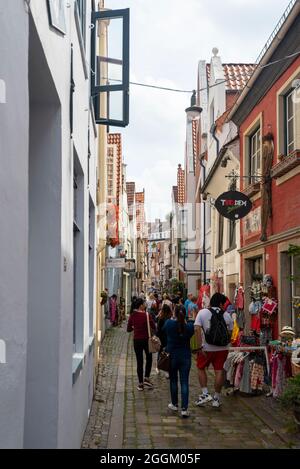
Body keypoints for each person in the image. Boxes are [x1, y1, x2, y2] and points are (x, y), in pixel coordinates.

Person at [194, 293, 233, 408]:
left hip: (206, 347)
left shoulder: (203, 312)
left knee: (201, 368)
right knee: (219, 371)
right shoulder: (227, 315)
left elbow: (196, 329)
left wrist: (199, 347)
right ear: (220, 303)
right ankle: (216, 398)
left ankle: (205, 393)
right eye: (224, 304)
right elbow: (230, 333)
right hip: (222, 349)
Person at [163, 306, 194, 418]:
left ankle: (174, 404)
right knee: (184, 382)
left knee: (173, 381)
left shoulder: (169, 324)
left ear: (174, 314)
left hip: (172, 356)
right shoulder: (189, 327)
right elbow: (191, 329)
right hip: (185, 356)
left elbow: (163, 332)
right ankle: (184, 409)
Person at [127, 298, 155, 391]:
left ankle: (140, 384)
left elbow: (128, 329)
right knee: (149, 358)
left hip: (137, 340)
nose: (145, 305)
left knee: (139, 361)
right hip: (147, 340)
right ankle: (146, 377)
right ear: (140, 306)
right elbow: (153, 327)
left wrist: (135, 327)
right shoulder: (147, 315)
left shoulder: (132, 315)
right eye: (144, 304)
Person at [157, 304, 173, 374]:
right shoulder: (170, 319)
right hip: (168, 338)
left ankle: (158, 367)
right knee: (168, 353)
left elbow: (158, 330)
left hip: (161, 338)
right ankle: (167, 370)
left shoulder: (160, 318)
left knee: (160, 352)